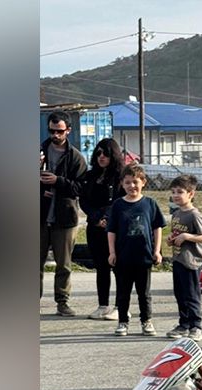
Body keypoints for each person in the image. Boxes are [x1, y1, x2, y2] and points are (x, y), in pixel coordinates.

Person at [106, 164, 165, 337]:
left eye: (135, 182)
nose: (132, 186)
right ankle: (123, 322)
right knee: (123, 293)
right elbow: (111, 230)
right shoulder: (118, 205)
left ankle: (146, 321)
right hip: (123, 258)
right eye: (128, 182)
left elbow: (157, 228)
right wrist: (112, 252)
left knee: (144, 293)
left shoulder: (150, 204)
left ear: (143, 182)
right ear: (122, 184)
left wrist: (157, 250)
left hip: (144, 256)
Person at [40, 111, 87, 317]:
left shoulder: (75, 157)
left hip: (65, 218)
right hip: (39, 215)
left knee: (64, 264)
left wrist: (57, 182)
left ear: (68, 130)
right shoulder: (39, 151)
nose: (55, 135)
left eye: (59, 131)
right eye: (52, 130)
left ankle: (62, 301)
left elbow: (81, 188)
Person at [79, 138, 126, 320]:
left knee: (118, 267)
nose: (101, 157)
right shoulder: (91, 176)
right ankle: (103, 304)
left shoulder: (121, 176)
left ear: (113, 155)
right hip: (94, 226)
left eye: (105, 153)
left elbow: (120, 199)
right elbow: (84, 200)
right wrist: (95, 217)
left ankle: (120, 306)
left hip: (115, 228)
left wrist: (107, 217)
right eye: (98, 153)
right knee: (101, 266)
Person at [165, 175, 202, 342]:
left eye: (180, 192)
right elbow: (176, 234)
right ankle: (183, 324)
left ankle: (196, 326)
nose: (176, 195)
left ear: (191, 194)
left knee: (191, 295)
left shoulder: (194, 214)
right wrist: (171, 239)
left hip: (191, 261)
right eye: (173, 192)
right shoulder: (176, 214)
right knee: (180, 294)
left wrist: (187, 236)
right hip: (178, 259)